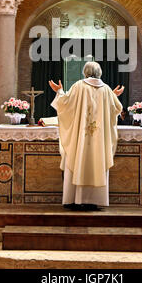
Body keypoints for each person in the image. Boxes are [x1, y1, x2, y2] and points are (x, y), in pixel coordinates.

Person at [49, 61, 124, 211]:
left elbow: (64, 104)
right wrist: (112, 96)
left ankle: (73, 199)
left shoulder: (78, 86)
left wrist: (59, 92)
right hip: (99, 141)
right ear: (100, 72)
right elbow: (117, 108)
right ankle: (94, 200)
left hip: (80, 140)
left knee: (77, 159)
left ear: (85, 72)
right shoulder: (106, 89)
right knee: (97, 162)